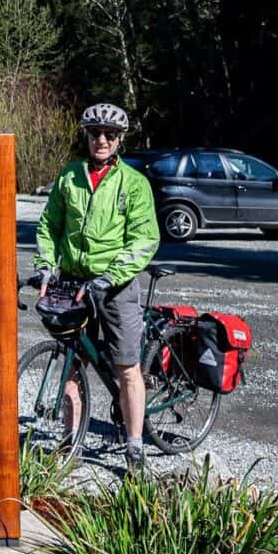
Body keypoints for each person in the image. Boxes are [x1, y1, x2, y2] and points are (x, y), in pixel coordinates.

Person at [32, 102, 160, 470]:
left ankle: (135, 446)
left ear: (119, 140)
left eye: (109, 135)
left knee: (126, 367)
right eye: (94, 134)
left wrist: (111, 275)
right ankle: (70, 442)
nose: (101, 140)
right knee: (73, 361)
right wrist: (44, 266)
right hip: (74, 283)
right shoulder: (69, 177)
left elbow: (144, 240)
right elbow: (49, 228)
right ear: (86, 136)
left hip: (116, 286)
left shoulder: (133, 184)